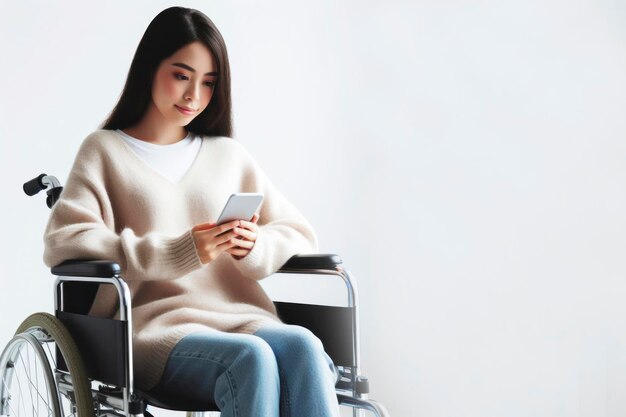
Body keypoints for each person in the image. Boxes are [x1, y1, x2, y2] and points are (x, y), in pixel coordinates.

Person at [42, 6, 341, 417]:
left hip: (242, 318)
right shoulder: (104, 150)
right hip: (156, 328)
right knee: (251, 358)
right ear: (149, 68)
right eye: (181, 75)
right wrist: (177, 251)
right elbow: (64, 240)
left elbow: (298, 230)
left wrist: (255, 246)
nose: (193, 96)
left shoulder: (228, 155)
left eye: (208, 83)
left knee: (303, 345)